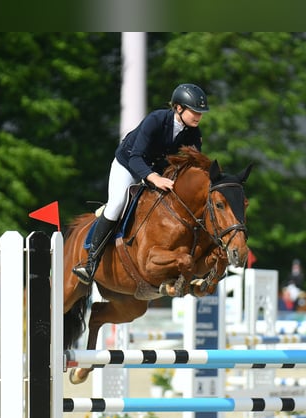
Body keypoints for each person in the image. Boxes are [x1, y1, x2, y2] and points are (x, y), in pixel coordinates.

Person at [72, 83, 210, 284]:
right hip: (128, 164)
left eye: (201, 112)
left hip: (159, 170)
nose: (198, 116)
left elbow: (192, 166)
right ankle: (91, 262)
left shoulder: (193, 134)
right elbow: (137, 157)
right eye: (194, 111)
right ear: (179, 108)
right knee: (118, 202)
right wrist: (154, 178)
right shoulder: (156, 120)